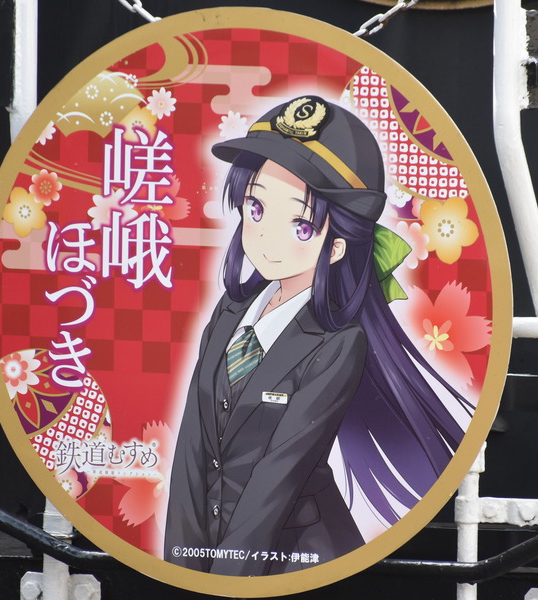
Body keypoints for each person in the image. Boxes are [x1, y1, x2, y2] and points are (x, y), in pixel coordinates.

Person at [164, 95, 472, 576]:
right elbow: (191, 449)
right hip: (219, 557)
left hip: (298, 559)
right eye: (256, 207)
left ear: (338, 246)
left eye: (301, 225)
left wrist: (225, 581)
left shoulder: (337, 344)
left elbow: (279, 476)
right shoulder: (230, 312)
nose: (265, 236)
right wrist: (179, 567)